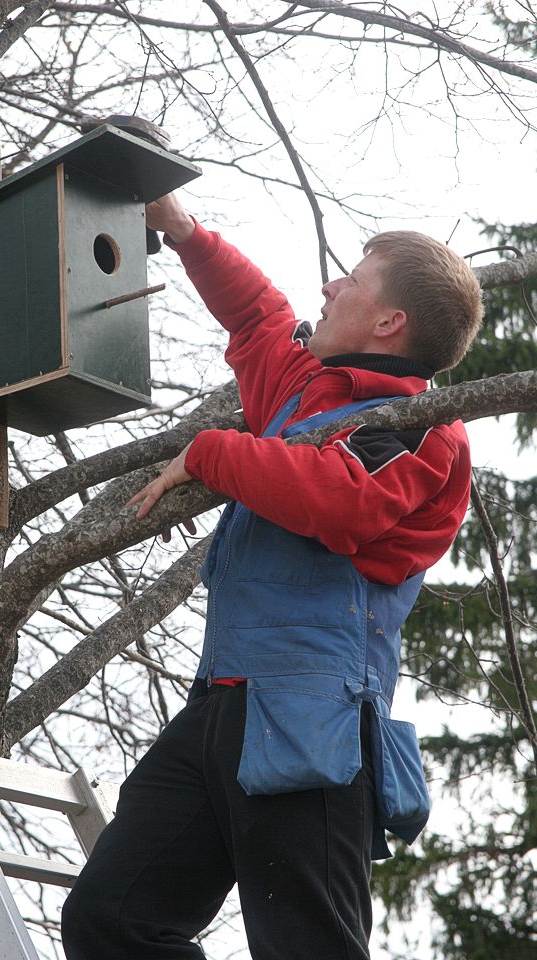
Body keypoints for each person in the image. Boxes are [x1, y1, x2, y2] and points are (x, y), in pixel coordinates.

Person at [61, 194, 483, 960]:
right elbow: (259, 319)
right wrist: (182, 229)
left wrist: (212, 450)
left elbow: (337, 501)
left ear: (391, 322)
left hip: (309, 719)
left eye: (352, 280)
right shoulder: (308, 392)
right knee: (110, 918)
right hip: (221, 705)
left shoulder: (419, 427)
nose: (329, 288)